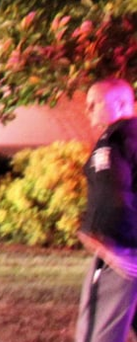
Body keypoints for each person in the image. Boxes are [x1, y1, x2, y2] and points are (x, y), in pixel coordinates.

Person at [78, 78, 137, 342]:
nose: (87, 110)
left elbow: (110, 191)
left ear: (120, 104)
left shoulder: (114, 140)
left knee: (100, 334)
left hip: (126, 254)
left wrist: (104, 240)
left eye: (94, 104)